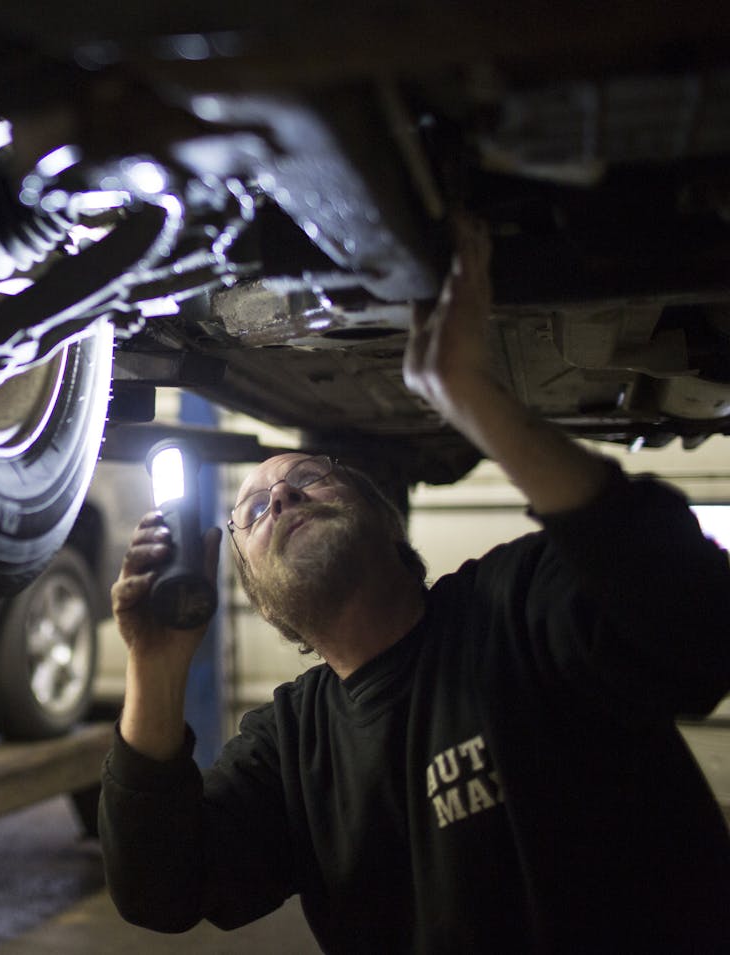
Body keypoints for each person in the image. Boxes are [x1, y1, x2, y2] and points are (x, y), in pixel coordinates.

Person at [100, 220, 730, 953]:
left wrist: (476, 399)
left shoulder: (517, 604)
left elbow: (699, 620)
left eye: (309, 479)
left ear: (387, 521)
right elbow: (160, 889)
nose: (281, 498)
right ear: (262, 599)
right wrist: (155, 665)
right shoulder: (292, 744)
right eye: (253, 510)